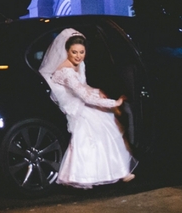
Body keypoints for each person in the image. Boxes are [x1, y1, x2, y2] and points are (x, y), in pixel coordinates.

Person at [40, 28, 138, 189]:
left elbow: (84, 87)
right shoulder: (66, 71)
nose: (78, 56)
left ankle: (120, 171)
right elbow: (84, 96)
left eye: (82, 52)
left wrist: (98, 92)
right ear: (67, 51)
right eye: (74, 52)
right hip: (73, 107)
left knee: (108, 122)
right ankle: (88, 174)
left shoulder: (79, 65)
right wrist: (115, 103)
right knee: (100, 124)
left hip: (80, 102)